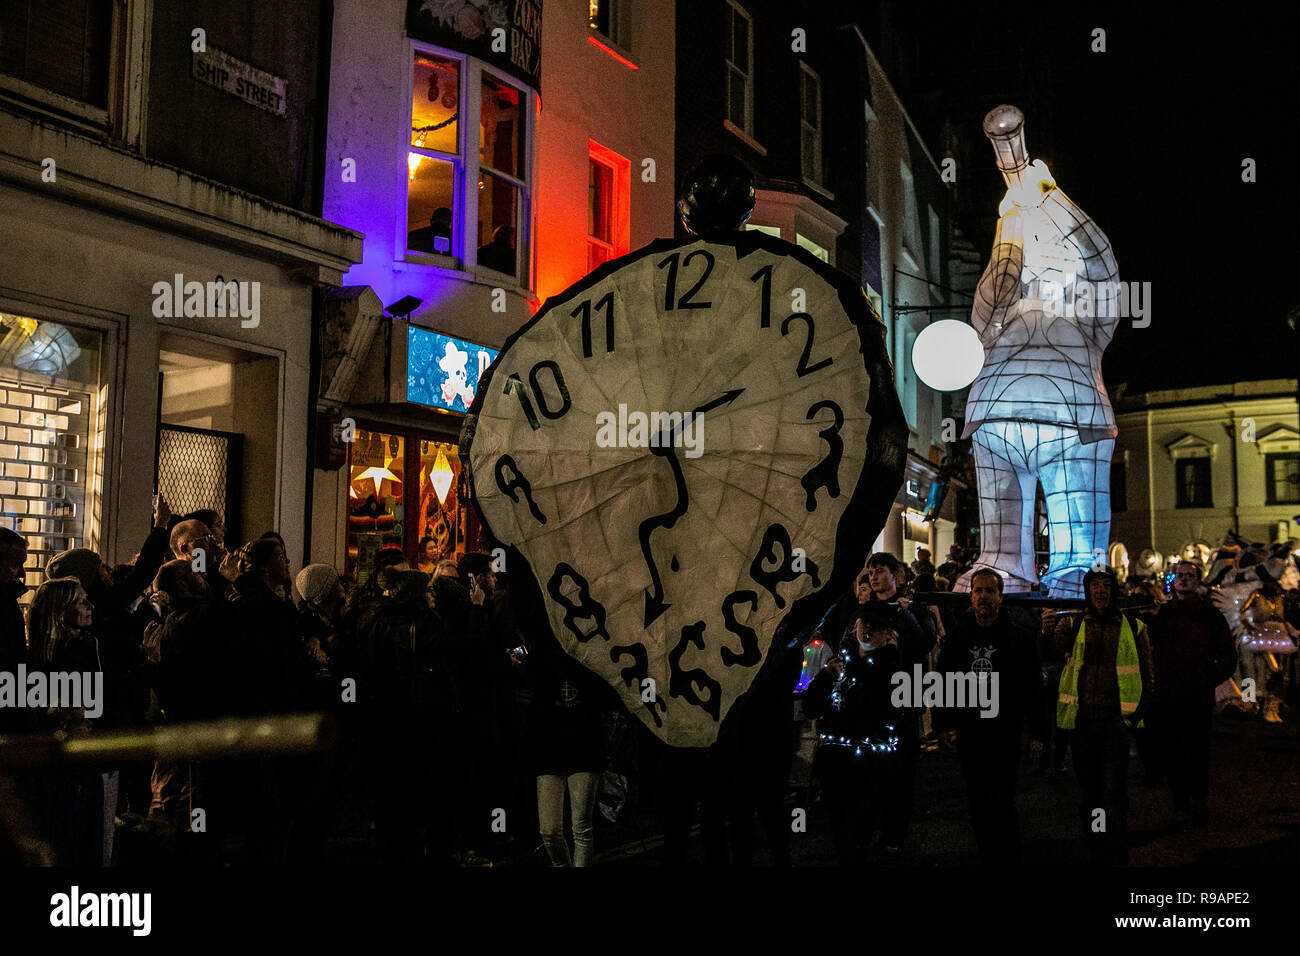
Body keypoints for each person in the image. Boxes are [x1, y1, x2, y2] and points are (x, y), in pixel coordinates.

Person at [935, 568, 1046, 864]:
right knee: (977, 798)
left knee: (1004, 796)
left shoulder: (1018, 639)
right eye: (978, 591)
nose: (983, 596)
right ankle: (987, 852)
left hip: (1005, 730)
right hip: (971, 731)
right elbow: (944, 681)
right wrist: (943, 725)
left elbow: (1033, 687)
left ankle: (1007, 854)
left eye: (989, 591)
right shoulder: (958, 638)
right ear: (971, 596)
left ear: (1000, 596)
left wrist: (1037, 733)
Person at [1047, 568, 1154, 865]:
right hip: (1083, 723)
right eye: (1095, 586)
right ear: (1087, 591)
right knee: (1090, 790)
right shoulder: (1074, 623)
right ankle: (1096, 838)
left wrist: (1135, 715)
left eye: (1106, 585)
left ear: (1114, 590)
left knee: (1115, 788)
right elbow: (1051, 653)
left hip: (1115, 722)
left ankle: (1116, 843)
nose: (1100, 591)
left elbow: (1147, 674)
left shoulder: (1134, 626)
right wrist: (1045, 630)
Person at [802, 602, 903, 864]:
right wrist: (826, 677)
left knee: (859, 831)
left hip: (869, 764)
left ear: (886, 632)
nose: (867, 629)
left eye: (875, 626)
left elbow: (881, 710)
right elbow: (811, 706)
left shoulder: (892, 669)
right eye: (863, 623)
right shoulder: (840, 664)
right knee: (839, 828)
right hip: (835, 762)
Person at [1146, 560, 1236, 827]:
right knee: (1174, 753)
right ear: (1173, 581)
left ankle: (1198, 801)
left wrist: (1208, 678)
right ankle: (1180, 805)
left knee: (1197, 752)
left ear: (1197, 581)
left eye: (1189, 575)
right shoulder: (1162, 616)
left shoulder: (1210, 616)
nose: (1184, 579)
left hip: (1197, 697)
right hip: (1169, 697)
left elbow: (1228, 657)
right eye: (1180, 575)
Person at [27, 577, 103, 866]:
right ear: (61, 611)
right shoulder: (73, 654)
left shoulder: (78, 647)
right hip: (68, 764)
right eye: (81, 601)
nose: (90, 605)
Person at [863, 552, 932, 858]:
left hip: (903, 704)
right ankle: (875, 830)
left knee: (901, 776)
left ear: (896, 575)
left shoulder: (912, 610)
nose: (873, 577)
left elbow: (924, 643)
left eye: (879, 571)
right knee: (872, 774)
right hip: (871, 706)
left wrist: (907, 616)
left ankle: (894, 836)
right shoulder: (864, 611)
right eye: (870, 573)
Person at [524, 647, 607, 866]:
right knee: (550, 831)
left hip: (584, 746)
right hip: (550, 748)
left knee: (581, 826)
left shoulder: (587, 653)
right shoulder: (543, 657)